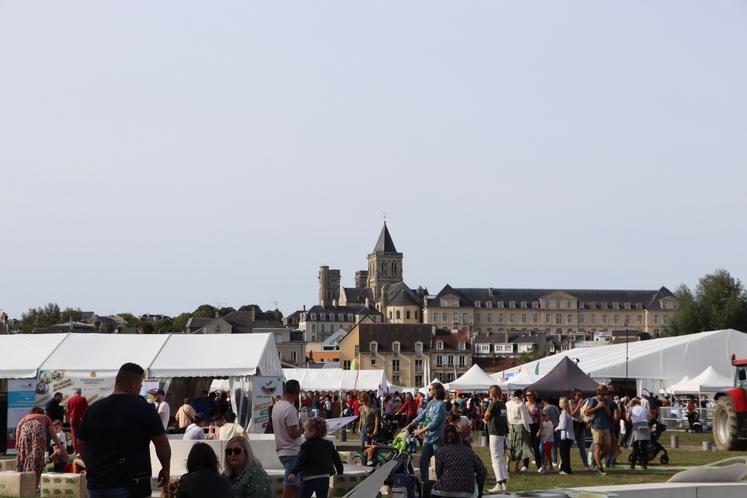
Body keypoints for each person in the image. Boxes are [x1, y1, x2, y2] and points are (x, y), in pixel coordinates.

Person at [78, 362, 171, 498]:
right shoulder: (144, 409)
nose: (140, 388)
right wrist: (166, 469)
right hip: (131, 484)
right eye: (140, 385)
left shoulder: (93, 409)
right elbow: (161, 443)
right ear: (132, 384)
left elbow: (81, 443)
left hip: (97, 485)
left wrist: (93, 466)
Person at [287, 418, 343, 498]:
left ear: (312, 431)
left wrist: (293, 472)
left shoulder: (306, 445)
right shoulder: (329, 444)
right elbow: (336, 458)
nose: (304, 432)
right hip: (325, 477)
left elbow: (300, 460)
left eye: (305, 430)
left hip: (310, 478)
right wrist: (340, 470)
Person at [407, 381, 447, 483]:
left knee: (437, 463)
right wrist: (410, 424)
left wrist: (420, 430)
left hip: (437, 438)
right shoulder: (430, 403)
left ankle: (439, 483)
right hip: (428, 438)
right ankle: (426, 484)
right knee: (423, 461)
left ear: (436, 391)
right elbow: (423, 415)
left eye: (430, 389)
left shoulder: (441, 405)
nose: (428, 391)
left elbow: (435, 423)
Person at [432, 425, 486, 498]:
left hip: (447, 491)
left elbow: (438, 473)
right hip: (468, 492)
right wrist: (475, 484)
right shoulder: (469, 451)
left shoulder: (441, 451)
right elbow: (482, 471)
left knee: (428, 486)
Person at [272, 379, 303, 498]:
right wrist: (304, 429)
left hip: (282, 450)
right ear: (296, 393)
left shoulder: (277, 406)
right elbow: (293, 434)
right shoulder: (290, 409)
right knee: (289, 490)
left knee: (294, 489)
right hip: (292, 451)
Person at [16, 407, 62, 487]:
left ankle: (22, 483)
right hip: (38, 430)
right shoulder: (46, 417)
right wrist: (59, 445)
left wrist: (17, 442)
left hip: (25, 429)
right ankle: (35, 484)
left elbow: (19, 427)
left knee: (24, 456)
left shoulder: (27, 416)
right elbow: (53, 434)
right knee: (37, 457)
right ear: (42, 412)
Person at [584, 384, 618, 476]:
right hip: (596, 426)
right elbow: (586, 412)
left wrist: (604, 407)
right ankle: (600, 468)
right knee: (597, 447)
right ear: (598, 391)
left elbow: (610, 414)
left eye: (605, 390)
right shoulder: (593, 400)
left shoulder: (607, 401)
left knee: (607, 448)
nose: (603, 392)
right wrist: (598, 407)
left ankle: (596, 460)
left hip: (606, 426)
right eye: (601, 390)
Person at [483, 384, 509, 493]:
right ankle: (503, 482)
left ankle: (499, 482)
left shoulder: (494, 404)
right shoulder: (503, 404)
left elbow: (486, 415)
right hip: (502, 432)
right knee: (500, 457)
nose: (488, 393)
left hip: (494, 432)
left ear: (492, 393)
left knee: (495, 458)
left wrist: (485, 418)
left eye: (489, 392)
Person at [505, 389, 532, 473]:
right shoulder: (521, 405)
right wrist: (528, 430)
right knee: (520, 448)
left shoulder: (507, 403)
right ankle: (516, 467)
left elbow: (506, 416)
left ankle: (507, 466)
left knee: (511, 447)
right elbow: (524, 419)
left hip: (510, 427)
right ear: (520, 396)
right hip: (520, 427)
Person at [569, 389, 592, 470]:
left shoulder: (583, 403)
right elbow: (573, 414)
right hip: (573, 425)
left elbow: (585, 414)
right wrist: (579, 404)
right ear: (574, 396)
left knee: (582, 446)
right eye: (578, 395)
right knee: (568, 446)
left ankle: (586, 465)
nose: (580, 397)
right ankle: (563, 463)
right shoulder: (570, 402)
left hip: (581, 425)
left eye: (581, 395)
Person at [626, 398, 651, 470]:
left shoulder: (631, 408)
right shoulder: (644, 408)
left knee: (636, 447)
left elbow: (627, 418)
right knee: (644, 447)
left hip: (636, 426)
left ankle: (632, 464)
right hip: (645, 425)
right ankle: (644, 465)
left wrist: (632, 418)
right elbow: (650, 417)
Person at [523, 389, 542, 472]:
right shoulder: (524, 405)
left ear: (533, 395)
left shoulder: (538, 405)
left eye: (530, 394)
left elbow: (540, 419)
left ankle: (539, 466)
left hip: (535, 427)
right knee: (526, 447)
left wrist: (540, 429)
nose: (528, 396)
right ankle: (525, 466)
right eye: (526, 395)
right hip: (527, 427)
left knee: (536, 447)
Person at [555, 397, 575, 475]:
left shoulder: (563, 413)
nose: (559, 403)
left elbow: (563, 425)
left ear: (562, 403)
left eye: (560, 402)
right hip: (569, 436)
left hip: (565, 436)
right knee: (566, 453)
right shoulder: (567, 412)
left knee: (564, 454)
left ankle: (566, 469)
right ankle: (566, 469)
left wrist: (556, 428)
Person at [67, 387, 89, 454]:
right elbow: (87, 409)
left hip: (72, 420)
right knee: (82, 435)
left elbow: (68, 410)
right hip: (81, 420)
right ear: (80, 392)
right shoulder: (83, 399)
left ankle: (75, 451)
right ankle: (81, 451)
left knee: (74, 435)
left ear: (74, 393)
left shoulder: (70, 399)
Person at [542, 399, 561, 467]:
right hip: (556, 426)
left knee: (548, 446)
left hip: (549, 428)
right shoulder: (555, 407)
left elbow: (544, 418)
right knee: (555, 445)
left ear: (544, 402)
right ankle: (555, 461)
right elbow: (559, 417)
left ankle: (548, 461)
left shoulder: (546, 408)